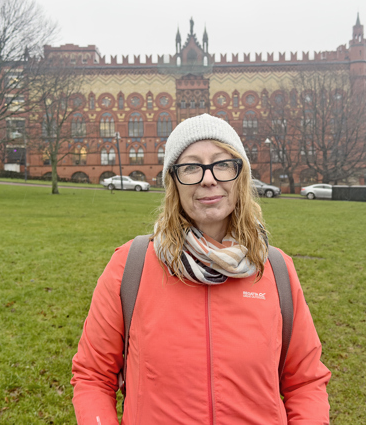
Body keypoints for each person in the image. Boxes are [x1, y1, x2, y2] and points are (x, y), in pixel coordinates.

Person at [71, 114, 331, 424]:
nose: (208, 178)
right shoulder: (132, 265)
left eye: (222, 164)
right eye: (191, 167)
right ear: (174, 183)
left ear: (240, 177)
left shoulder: (275, 269)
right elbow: (93, 375)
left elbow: (305, 382)